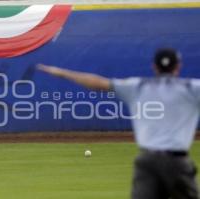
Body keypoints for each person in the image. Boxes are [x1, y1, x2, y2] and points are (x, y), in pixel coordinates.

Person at [37, 48, 199, 199]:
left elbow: (98, 83)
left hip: (147, 162)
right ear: (178, 66)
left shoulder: (137, 86)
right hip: (177, 163)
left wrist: (63, 73)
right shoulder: (192, 88)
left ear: (155, 67)